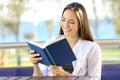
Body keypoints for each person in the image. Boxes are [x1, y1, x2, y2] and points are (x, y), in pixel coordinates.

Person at [30, 2, 102, 80]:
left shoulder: (92, 48)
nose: (65, 25)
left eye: (71, 22)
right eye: (63, 20)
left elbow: (95, 79)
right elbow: (39, 78)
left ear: (81, 24)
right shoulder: (49, 45)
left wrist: (65, 75)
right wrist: (35, 65)